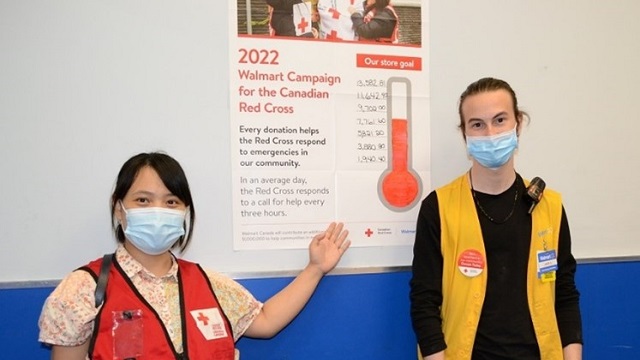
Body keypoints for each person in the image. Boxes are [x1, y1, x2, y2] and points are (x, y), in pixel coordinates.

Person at [38, 152, 351, 359]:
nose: (158, 210)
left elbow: (265, 321)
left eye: (171, 201)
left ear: (185, 211)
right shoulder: (84, 290)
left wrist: (315, 268)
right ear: (119, 209)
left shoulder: (207, 283)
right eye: (143, 200)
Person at [409, 77, 583, 360]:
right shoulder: (438, 207)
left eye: (500, 120)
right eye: (477, 124)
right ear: (465, 134)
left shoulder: (549, 205)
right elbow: (424, 301)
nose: (490, 133)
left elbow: (564, 293)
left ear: (518, 124)